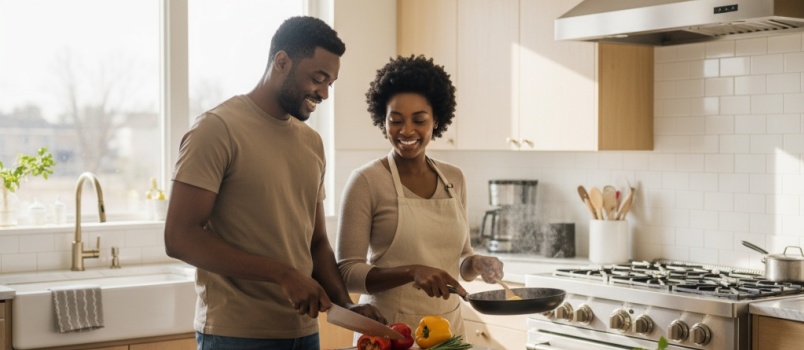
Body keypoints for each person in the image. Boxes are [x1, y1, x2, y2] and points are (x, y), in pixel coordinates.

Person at [164, 16, 384, 350]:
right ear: (282, 62)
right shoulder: (217, 129)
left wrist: (346, 304)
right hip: (235, 335)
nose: (324, 92)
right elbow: (180, 237)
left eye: (330, 83)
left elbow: (317, 242)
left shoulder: (312, 143)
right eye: (318, 78)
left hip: (304, 334)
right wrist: (284, 274)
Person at [336, 55, 505, 336]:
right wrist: (411, 271)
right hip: (388, 331)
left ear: (436, 120)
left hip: (448, 332)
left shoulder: (454, 179)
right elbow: (347, 273)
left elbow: (461, 258)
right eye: (396, 120)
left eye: (419, 120)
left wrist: (476, 263)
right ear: (383, 120)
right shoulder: (366, 181)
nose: (407, 130)